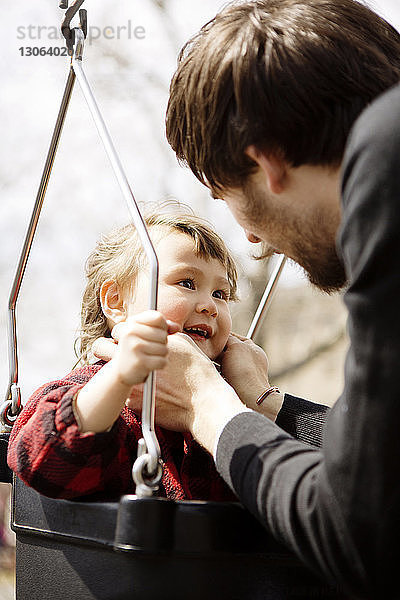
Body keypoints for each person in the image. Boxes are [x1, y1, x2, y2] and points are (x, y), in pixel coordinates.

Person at [93, 1, 400, 597]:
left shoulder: (385, 167)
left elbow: (364, 534)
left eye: (229, 197)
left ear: (267, 161)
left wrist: (207, 405)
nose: (254, 240)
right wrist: (264, 404)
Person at [7, 210, 251, 502]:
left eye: (221, 294)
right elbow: (42, 460)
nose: (210, 306)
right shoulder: (95, 389)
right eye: (187, 283)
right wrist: (120, 375)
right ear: (116, 302)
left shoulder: (227, 399)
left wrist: (253, 393)